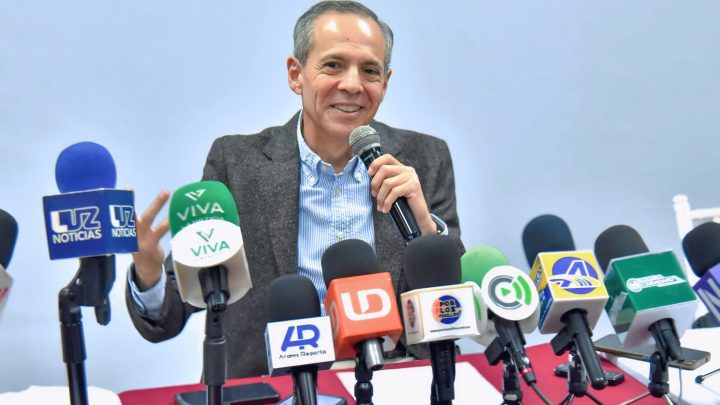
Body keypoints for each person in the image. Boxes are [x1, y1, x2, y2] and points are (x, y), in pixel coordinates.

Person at [126, 0, 461, 379]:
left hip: (398, 377)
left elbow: (454, 305)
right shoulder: (237, 164)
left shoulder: (424, 158)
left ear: (384, 82)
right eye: (333, 65)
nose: (352, 84)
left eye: (370, 70)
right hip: (275, 384)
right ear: (296, 74)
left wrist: (425, 229)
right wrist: (149, 273)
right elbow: (170, 314)